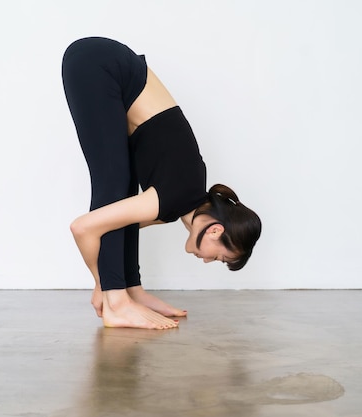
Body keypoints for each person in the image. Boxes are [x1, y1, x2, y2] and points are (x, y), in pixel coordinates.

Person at [62, 37, 261, 330]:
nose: (207, 261)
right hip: (100, 63)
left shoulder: (182, 199)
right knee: (113, 189)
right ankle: (117, 303)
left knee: (119, 205)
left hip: (105, 62)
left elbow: (120, 229)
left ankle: (131, 294)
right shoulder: (176, 196)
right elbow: (84, 227)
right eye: (218, 256)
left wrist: (135, 291)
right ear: (215, 230)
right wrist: (102, 284)